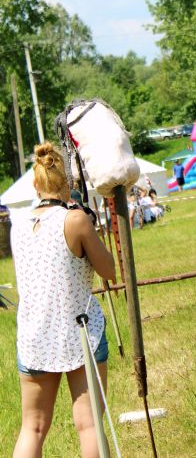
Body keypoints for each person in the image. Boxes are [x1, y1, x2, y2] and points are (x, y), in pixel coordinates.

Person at [11, 142, 116, 458]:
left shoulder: (18, 224)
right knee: (89, 424)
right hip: (78, 331)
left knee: (32, 428)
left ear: (36, 182)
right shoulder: (76, 220)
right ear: (69, 182)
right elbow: (109, 271)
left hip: (34, 334)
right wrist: (89, 225)